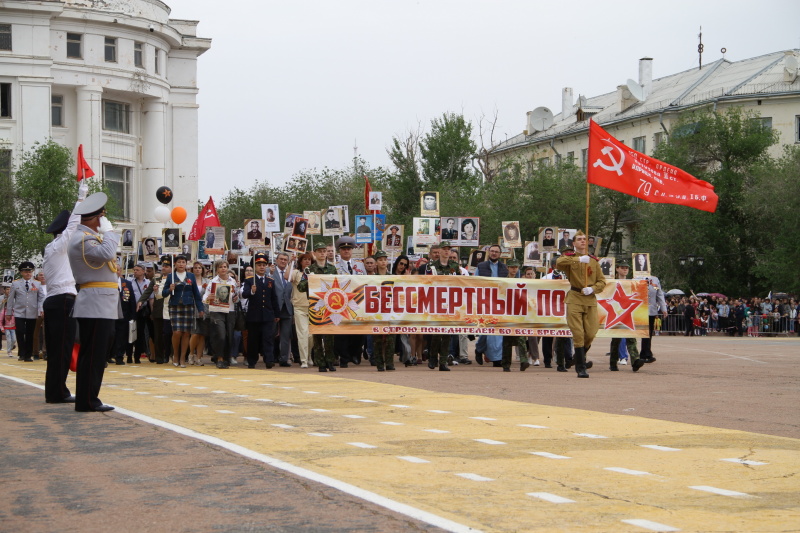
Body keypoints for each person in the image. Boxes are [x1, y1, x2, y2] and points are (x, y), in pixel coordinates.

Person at [67, 192, 120, 412]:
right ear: (96, 217)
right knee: (93, 355)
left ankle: (88, 398)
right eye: (103, 216)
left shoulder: (87, 237)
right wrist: (110, 232)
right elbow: (108, 253)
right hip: (95, 304)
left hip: (101, 303)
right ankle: (87, 401)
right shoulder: (82, 239)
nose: (103, 221)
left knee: (96, 354)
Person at [41, 182, 87, 402]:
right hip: (63, 301)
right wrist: (82, 196)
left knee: (57, 349)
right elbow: (74, 225)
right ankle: (58, 392)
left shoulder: (51, 249)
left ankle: (55, 391)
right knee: (63, 348)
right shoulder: (59, 246)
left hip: (54, 301)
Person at [555, 231, 605, 378]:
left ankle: (577, 359)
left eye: (585, 239)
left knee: (590, 333)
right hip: (575, 298)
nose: (583, 241)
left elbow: (602, 281)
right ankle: (581, 368)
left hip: (589, 299)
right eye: (579, 240)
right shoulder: (570, 258)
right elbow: (558, 263)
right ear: (574, 244)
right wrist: (577, 260)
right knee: (578, 334)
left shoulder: (594, 261)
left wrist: (593, 289)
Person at [162, 254, 204, 368]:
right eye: (179, 262)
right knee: (177, 332)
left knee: (186, 333)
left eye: (183, 262)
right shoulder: (170, 276)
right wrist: (169, 289)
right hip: (175, 306)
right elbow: (163, 293)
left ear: (186, 264)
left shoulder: (191, 276)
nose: (181, 264)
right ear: (175, 264)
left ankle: (182, 358)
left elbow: (196, 294)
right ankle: (175, 354)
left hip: (188, 306)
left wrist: (201, 309)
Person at [425, 240, 462, 371]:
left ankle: (443, 362)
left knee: (447, 333)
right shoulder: (432, 266)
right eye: (444, 249)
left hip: (450, 302)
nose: (446, 251)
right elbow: (427, 282)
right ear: (439, 250)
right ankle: (433, 357)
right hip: (436, 302)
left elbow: (460, 282)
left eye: (448, 249)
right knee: (436, 333)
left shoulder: (454, 266)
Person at [241, 252, 280, 369]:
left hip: (267, 315)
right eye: (259, 265)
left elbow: (273, 298)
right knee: (253, 339)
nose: (262, 267)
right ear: (254, 266)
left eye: (264, 265)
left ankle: (269, 359)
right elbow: (244, 294)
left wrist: (276, 313)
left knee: (268, 338)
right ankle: (252, 360)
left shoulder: (270, 280)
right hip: (254, 315)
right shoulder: (249, 280)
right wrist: (252, 291)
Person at [607, 261, 644, 372]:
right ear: (617, 269)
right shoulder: (612, 283)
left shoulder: (632, 283)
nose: (625, 270)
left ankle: (635, 361)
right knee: (616, 340)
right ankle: (613, 362)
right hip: (616, 313)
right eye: (622, 268)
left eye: (626, 268)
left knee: (631, 338)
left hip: (628, 313)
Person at [204, 259, 240, 369]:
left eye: (225, 266)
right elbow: (205, 297)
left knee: (229, 335)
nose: (223, 268)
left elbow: (237, 296)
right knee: (220, 334)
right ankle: (219, 358)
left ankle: (226, 357)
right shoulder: (213, 282)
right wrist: (208, 298)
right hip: (217, 311)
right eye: (220, 267)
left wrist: (236, 298)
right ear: (217, 270)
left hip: (230, 310)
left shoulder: (232, 281)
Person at [307, 242, 338, 372]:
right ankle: (320, 362)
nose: (322, 253)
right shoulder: (309, 269)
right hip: (316, 306)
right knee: (318, 336)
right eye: (319, 251)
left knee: (330, 336)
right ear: (315, 253)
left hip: (331, 305)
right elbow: (301, 287)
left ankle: (330, 360)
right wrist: (309, 280)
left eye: (324, 251)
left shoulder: (332, 268)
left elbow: (338, 285)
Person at [7, 261, 45, 362]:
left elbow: (41, 297)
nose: (28, 273)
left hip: (32, 312)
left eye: (30, 271)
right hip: (19, 311)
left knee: (30, 333)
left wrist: (40, 309)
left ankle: (28, 355)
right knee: (20, 332)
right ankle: (21, 353)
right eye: (25, 271)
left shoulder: (37, 283)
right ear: (21, 272)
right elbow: (11, 299)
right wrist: (9, 313)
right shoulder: (15, 284)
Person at [289, 253, 313, 368]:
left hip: (313, 307)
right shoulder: (296, 272)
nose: (307, 261)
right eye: (305, 259)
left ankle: (309, 357)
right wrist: (291, 261)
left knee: (311, 335)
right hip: (299, 307)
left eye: (309, 259)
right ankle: (303, 360)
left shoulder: (313, 273)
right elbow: (287, 277)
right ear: (301, 261)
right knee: (302, 334)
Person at [111, 260, 136, 365]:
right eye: (114, 270)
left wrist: (132, 315)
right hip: (111, 314)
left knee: (122, 336)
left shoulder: (127, 283)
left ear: (120, 271)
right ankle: (109, 355)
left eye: (118, 270)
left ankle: (119, 356)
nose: (116, 271)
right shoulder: (108, 282)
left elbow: (132, 300)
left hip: (124, 314)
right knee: (111, 335)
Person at [272, 251, 294, 367]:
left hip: (287, 308)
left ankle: (284, 358)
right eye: (281, 259)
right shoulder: (270, 272)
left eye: (285, 260)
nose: (283, 261)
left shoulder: (292, 273)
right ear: (276, 260)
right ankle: (270, 357)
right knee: (271, 334)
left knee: (286, 335)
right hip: (274, 308)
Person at [638, 276, 667, 362]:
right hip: (640, 309)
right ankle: (645, 353)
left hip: (651, 310)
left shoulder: (655, 280)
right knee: (643, 332)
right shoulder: (637, 278)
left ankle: (645, 353)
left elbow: (659, 294)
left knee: (649, 332)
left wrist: (664, 308)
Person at [188, 261, 208, 366]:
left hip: (204, 309)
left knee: (202, 334)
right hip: (192, 308)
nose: (197, 269)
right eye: (195, 268)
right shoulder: (189, 281)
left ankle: (199, 357)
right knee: (195, 333)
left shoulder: (207, 281)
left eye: (199, 268)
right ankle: (191, 354)